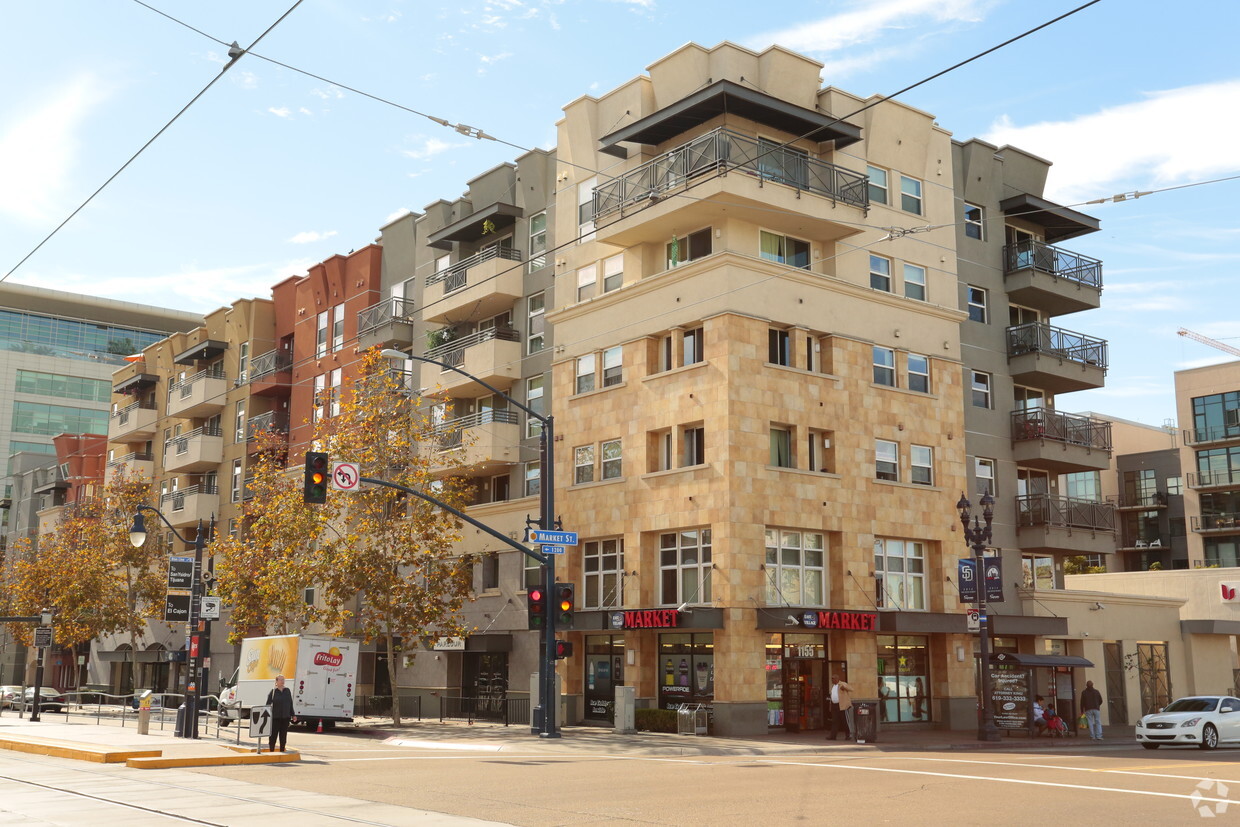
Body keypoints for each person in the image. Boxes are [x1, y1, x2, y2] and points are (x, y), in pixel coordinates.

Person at [265, 675, 295, 753]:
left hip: (285, 717)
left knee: (283, 735)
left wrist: (293, 714)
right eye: (280, 680)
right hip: (275, 717)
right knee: (273, 735)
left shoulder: (287, 691)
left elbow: (290, 703)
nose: (282, 681)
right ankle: (272, 750)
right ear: (276, 682)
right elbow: (268, 705)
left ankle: (282, 749)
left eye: (283, 680)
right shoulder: (273, 692)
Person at [827, 673, 853, 741]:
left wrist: (844, 688)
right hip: (834, 705)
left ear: (837, 679)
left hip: (842, 705)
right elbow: (832, 696)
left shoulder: (842, 684)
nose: (832, 680)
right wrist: (830, 705)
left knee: (845, 721)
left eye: (833, 678)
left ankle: (848, 735)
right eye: (831, 678)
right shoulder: (833, 686)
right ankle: (833, 736)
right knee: (834, 721)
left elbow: (851, 689)